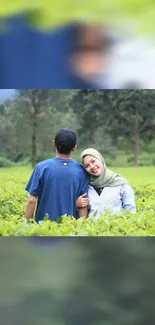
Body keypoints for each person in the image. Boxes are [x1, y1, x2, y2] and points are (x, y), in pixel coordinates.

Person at [25, 128, 89, 223]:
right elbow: (83, 203)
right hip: (69, 228)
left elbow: (31, 200)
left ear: (54, 144)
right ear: (74, 148)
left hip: (43, 227)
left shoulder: (41, 167)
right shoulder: (81, 170)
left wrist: (26, 225)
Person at [76, 148, 136, 218]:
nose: (92, 167)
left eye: (93, 161)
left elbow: (130, 211)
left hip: (117, 227)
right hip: (92, 228)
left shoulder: (120, 184)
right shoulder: (85, 187)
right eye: (87, 166)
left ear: (100, 159)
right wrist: (76, 204)